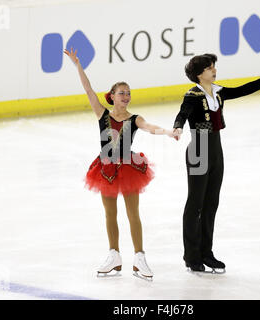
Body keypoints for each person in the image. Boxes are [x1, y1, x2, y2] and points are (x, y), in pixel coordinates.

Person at [64, 47, 176, 281]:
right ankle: (114, 255)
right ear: (112, 96)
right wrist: (77, 65)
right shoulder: (102, 114)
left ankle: (139, 257)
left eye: (128, 93)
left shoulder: (135, 119)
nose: (126, 96)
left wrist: (166, 131)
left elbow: (150, 127)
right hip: (105, 169)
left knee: (133, 214)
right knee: (110, 214)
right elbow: (88, 89)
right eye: (122, 93)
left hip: (127, 168)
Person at [172, 53, 260, 273]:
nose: (214, 70)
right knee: (196, 203)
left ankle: (206, 253)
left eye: (214, 66)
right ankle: (191, 255)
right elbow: (183, 112)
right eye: (209, 68)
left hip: (216, 148)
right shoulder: (192, 95)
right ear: (199, 74)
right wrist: (178, 126)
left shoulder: (218, 92)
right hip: (199, 148)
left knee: (211, 203)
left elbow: (243, 89)